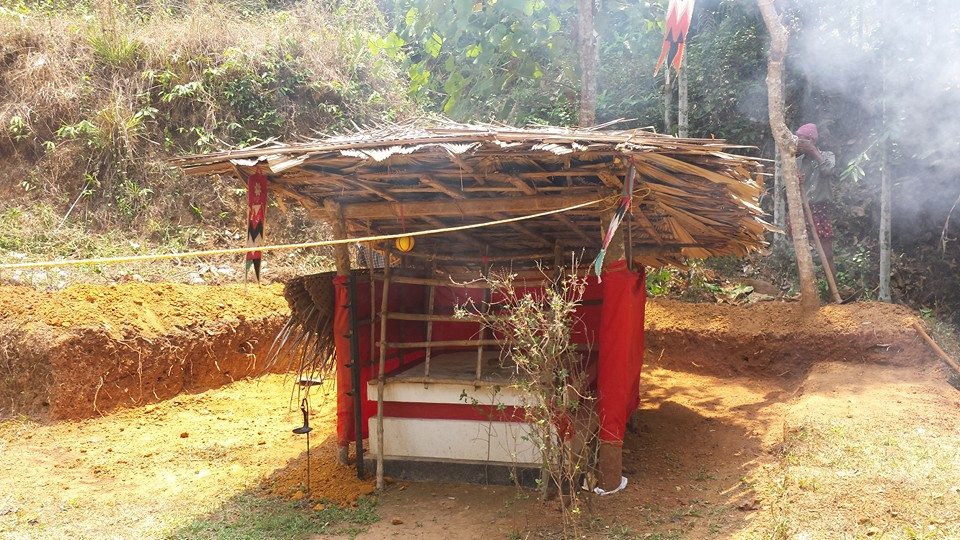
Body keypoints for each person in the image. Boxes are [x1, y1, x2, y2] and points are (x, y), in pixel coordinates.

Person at [795, 123, 837, 275]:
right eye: (797, 138)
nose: (798, 142)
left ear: (811, 140)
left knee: (827, 254)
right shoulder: (796, 161)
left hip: (820, 208)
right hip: (801, 210)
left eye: (802, 139)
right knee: (803, 255)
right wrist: (795, 182)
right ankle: (808, 291)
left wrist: (813, 151)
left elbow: (828, 170)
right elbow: (784, 190)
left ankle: (834, 294)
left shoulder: (827, 156)